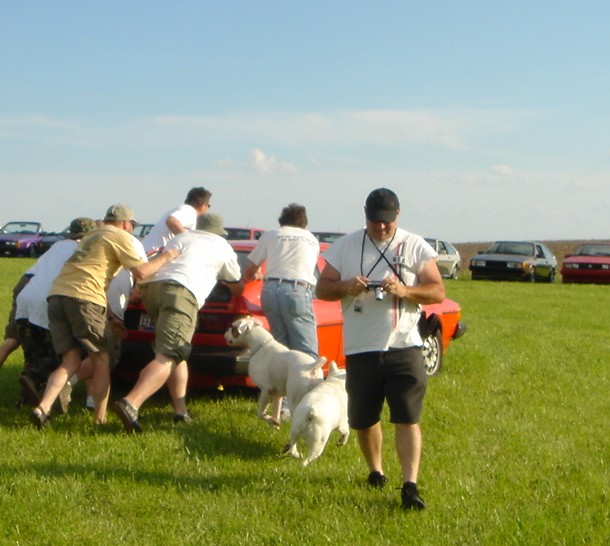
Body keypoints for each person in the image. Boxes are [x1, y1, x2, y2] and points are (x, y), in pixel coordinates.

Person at [316, 188, 445, 511]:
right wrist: (346, 286)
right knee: (363, 419)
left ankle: (410, 485)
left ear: (397, 215)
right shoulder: (346, 246)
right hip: (361, 348)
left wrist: (405, 290)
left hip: (405, 347)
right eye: (375, 221)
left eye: (387, 221)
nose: (381, 227)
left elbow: (437, 291)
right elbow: (322, 288)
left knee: (407, 417)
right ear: (365, 215)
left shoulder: (414, 245)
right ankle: (376, 472)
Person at [30, 204, 178, 429]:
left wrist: (108, 316)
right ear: (126, 223)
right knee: (101, 359)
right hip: (85, 298)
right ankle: (100, 419)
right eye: (131, 225)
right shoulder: (121, 236)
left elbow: (90, 273)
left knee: (70, 361)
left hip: (57, 296)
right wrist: (168, 256)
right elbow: (141, 272)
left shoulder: (91, 236)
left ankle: (42, 408)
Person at [114, 213, 241, 433]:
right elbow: (236, 285)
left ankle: (180, 412)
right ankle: (131, 403)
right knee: (169, 355)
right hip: (181, 292)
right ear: (220, 232)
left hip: (151, 289)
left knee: (177, 352)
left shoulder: (181, 238)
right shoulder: (223, 246)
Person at [0, 216, 96, 399]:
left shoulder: (58, 245)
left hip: (26, 292)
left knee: (21, 343)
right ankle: (46, 388)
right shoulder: (84, 250)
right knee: (60, 351)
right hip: (50, 298)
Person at [236, 203, 321, 358]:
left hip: (270, 290)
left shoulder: (270, 235)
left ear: (281, 221)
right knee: (305, 348)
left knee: (280, 347)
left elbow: (249, 271)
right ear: (304, 223)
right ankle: (308, 372)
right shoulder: (311, 239)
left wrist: (256, 275)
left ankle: (282, 372)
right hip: (297, 289)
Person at [141, 186, 212, 254]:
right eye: (208, 206)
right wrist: (189, 242)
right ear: (203, 205)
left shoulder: (182, 210)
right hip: (153, 253)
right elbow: (171, 221)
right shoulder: (189, 211)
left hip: (149, 251)